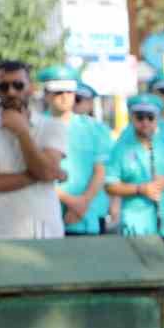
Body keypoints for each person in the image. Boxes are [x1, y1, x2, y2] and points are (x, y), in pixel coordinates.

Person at [0, 60, 68, 239]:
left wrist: (22, 132)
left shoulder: (53, 126)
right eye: (4, 86)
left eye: (18, 85)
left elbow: (46, 171)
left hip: (46, 231)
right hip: (2, 233)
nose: (11, 92)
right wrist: (47, 174)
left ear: (30, 88)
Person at [106, 94, 164, 250]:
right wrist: (140, 189)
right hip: (136, 226)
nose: (145, 122)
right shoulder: (121, 148)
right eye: (140, 117)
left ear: (157, 118)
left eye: (150, 117)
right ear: (132, 118)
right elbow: (109, 185)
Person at [39, 66, 111, 236]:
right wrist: (71, 201)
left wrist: (83, 202)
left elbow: (100, 170)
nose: (64, 97)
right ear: (47, 95)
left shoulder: (93, 128)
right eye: (58, 92)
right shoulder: (35, 128)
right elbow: (36, 174)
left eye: (70, 92)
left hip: (87, 215)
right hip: (48, 214)